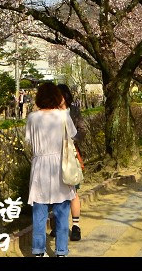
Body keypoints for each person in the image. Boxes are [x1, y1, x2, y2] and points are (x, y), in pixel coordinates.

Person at [25, 82, 76, 257]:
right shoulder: (63, 115)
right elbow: (72, 135)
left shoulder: (32, 117)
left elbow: (29, 141)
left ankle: (38, 250)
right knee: (62, 212)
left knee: (39, 213)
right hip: (59, 166)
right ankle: (61, 251)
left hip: (39, 167)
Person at [57, 83, 83, 242]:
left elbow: (82, 130)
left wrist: (71, 139)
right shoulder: (50, 113)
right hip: (55, 157)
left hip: (72, 156)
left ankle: (76, 226)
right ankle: (59, 225)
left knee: (73, 192)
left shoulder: (73, 111)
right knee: (56, 193)